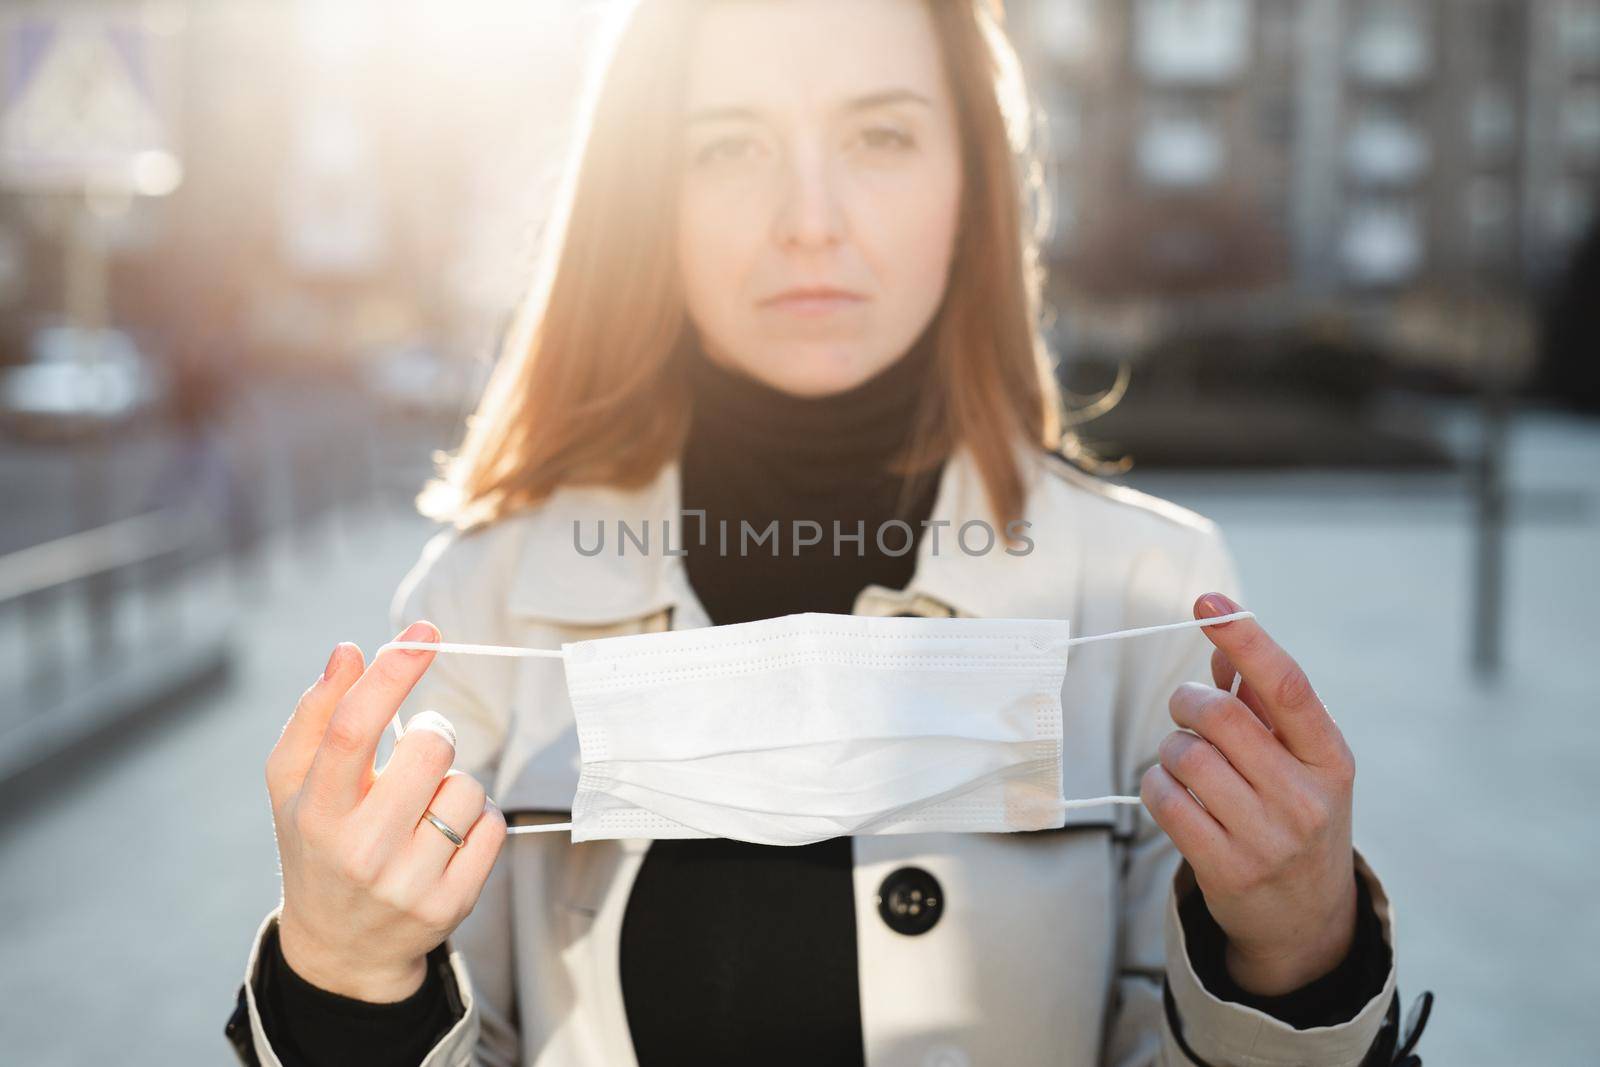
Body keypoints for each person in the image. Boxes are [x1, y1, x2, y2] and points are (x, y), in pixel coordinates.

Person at [227, 2, 1420, 1064]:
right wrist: (345, 977)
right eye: (730, 147)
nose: (810, 219)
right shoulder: (486, 596)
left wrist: (1297, 960)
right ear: (649, 190)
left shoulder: (1147, 588)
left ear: (972, 179)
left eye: (881, 135)